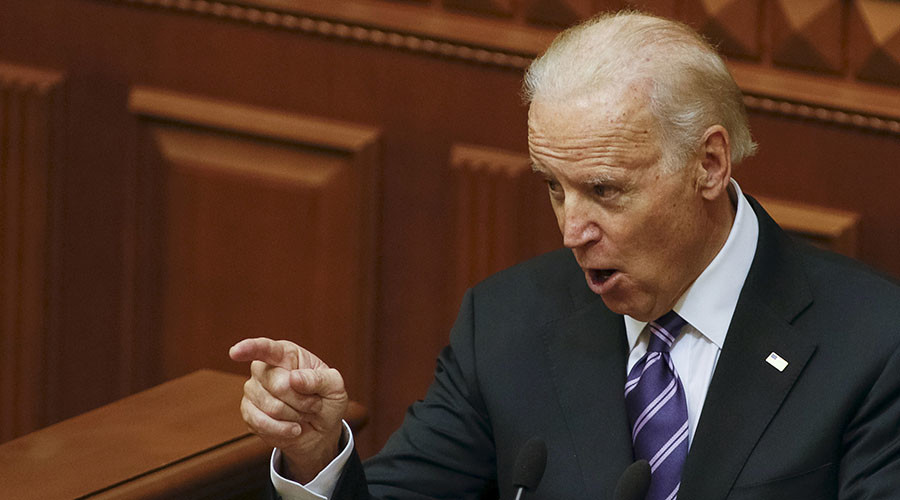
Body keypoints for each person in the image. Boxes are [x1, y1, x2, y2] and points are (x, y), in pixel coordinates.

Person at [230, 11, 900, 500]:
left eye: (604, 190)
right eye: (554, 187)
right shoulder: (506, 322)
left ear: (709, 164)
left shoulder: (874, 345)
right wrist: (317, 456)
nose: (572, 229)